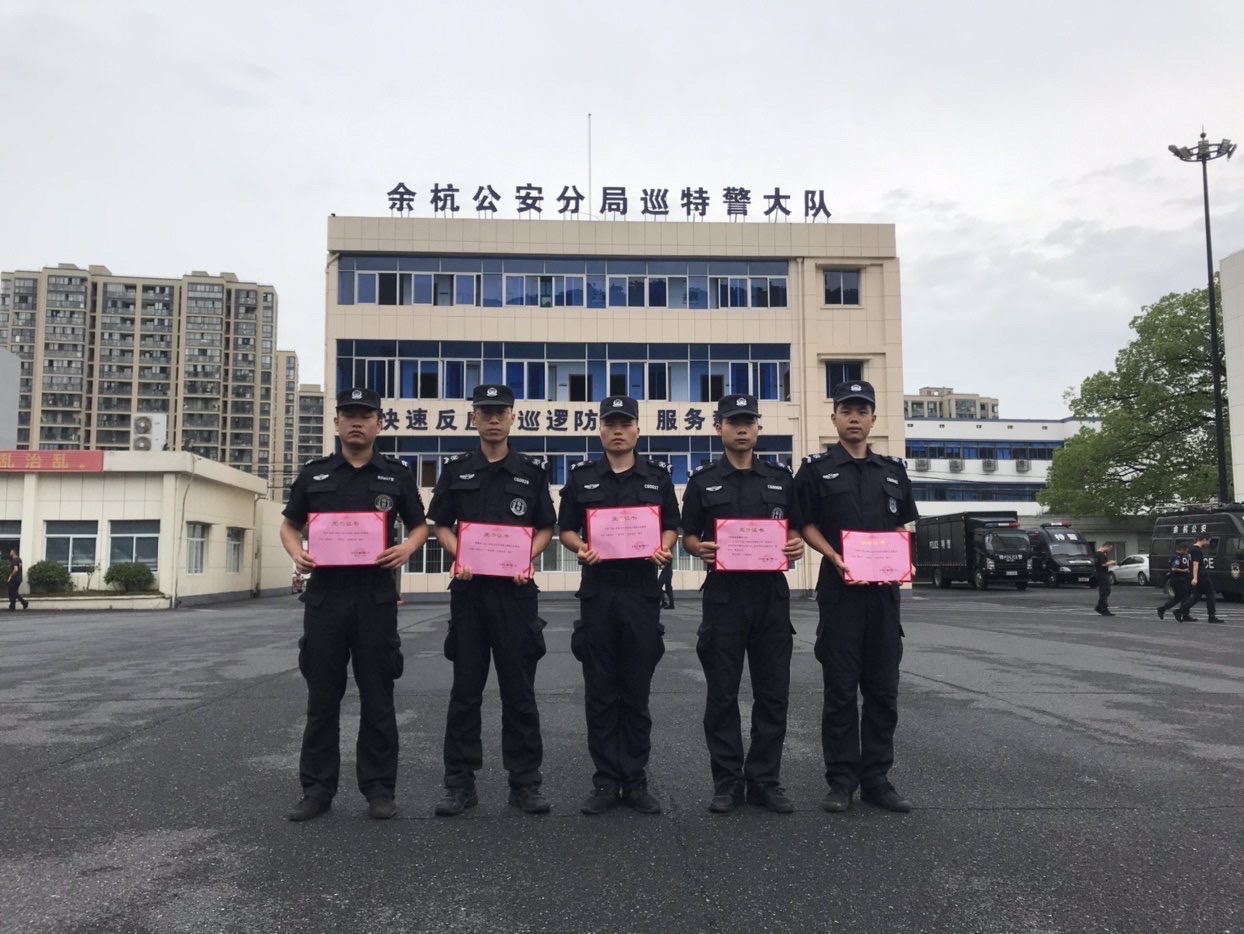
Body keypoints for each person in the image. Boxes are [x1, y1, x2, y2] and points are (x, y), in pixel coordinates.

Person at [280, 387, 429, 822]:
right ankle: (316, 790)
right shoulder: (315, 475)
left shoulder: (396, 475)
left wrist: (407, 549)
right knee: (322, 700)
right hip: (325, 599)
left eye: (365, 415)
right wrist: (296, 551)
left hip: (375, 599)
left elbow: (420, 526)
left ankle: (379, 789)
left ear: (379, 423)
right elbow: (289, 525)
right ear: (337, 423)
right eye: (348, 415)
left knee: (378, 698)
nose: (356, 422)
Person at [427, 384, 557, 816]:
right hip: (469, 595)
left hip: (516, 595)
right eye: (486, 412)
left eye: (501, 412)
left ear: (513, 417)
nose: (494, 419)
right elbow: (440, 524)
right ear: (474, 419)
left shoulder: (531, 472)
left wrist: (526, 557)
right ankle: (459, 785)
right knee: (465, 693)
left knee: (519, 692)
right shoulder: (457, 471)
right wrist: (458, 554)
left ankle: (525, 783)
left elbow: (546, 527)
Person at [795, 380, 918, 814]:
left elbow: (902, 525)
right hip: (840, 595)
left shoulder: (893, 471)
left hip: (883, 597)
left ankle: (877, 780)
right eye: (846, 410)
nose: (854, 418)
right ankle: (842, 781)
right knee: (841, 692)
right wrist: (832, 555)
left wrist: (902, 559)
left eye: (862, 411)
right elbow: (804, 523)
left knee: (883, 691)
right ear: (834, 417)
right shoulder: (816, 470)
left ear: (873, 419)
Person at [681, 394, 805, 814]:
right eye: (733, 422)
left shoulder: (780, 479)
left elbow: (796, 530)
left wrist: (796, 545)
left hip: (770, 596)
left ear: (758, 428)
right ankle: (727, 782)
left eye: (748, 421)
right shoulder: (703, 481)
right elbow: (688, 534)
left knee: (773, 694)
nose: (741, 428)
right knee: (722, 694)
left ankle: (765, 781)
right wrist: (698, 547)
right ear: (719, 428)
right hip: (724, 596)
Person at [557, 395, 680, 816]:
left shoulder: (657, 478)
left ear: (637, 431)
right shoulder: (583, 478)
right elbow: (566, 529)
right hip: (599, 593)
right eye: (610, 423)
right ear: (600, 430)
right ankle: (606, 782)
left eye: (625, 424)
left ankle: (635, 780)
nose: (618, 430)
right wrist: (580, 547)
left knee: (636, 691)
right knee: (601, 692)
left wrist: (664, 547)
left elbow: (671, 527)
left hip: (641, 594)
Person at [1178, 534, 1226, 624]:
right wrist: (1195, 578)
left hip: (1194, 575)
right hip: (1201, 576)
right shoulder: (1197, 551)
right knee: (1210, 594)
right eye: (1208, 541)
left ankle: (1182, 611)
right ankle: (1211, 616)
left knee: (1197, 596)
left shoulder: (1191, 549)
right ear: (1204, 539)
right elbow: (1195, 564)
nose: (1208, 543)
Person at [1157, 543, 1191, 621]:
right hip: (1179, 580)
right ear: (1182, 549)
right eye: (1186, 550)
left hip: (1176, 580)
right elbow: (1174, 568)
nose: (1187, 552)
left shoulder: (1176, 556)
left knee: (1178, 598)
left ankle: (1163, 609)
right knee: (1185, 597)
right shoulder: (1177, 557)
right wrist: (1184, 570)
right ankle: (1181, 613)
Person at [1093, 543, 1117, 617]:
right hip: (1102, 574)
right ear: (1106, 546)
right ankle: (1102, 607)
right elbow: (1103, 564)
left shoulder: (1097, 553)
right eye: (1110, 548)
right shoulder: (1100, 554)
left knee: (1105, 590)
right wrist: (1111, 562)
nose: (1109, 550)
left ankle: (1100, 606)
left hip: (1100, 573)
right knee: (1105, 590)